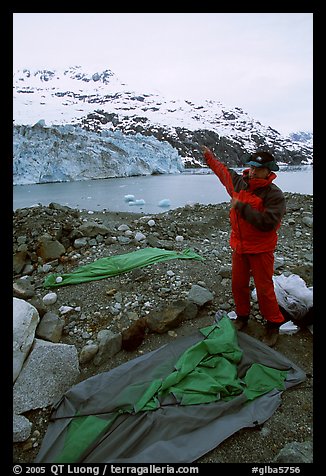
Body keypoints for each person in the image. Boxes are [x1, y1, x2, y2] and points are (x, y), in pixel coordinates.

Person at [202, 147, 286, 346]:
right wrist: (208, 157)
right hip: (240, 247)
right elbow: (222, 171)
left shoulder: (274, 195)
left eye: (259, 168)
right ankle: (242, 317)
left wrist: (241, 207)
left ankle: (273, 324)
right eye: (252, 166)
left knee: (264, 288)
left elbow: (268, 223)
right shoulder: (240, 183)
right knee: (238, 284)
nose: (254, 171)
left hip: (261, 249)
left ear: (269, 171)